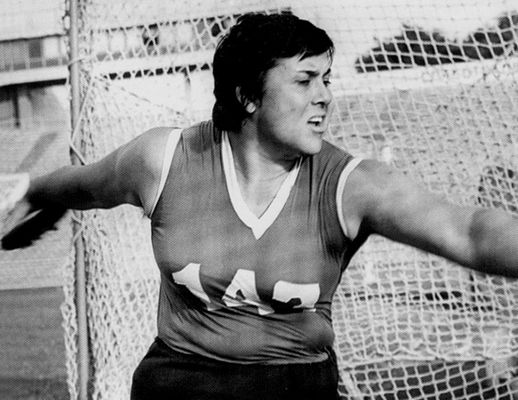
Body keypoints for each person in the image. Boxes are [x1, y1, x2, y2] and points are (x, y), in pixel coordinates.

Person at [2, 12, 518, 400]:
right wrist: (29, 190)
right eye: (304, 80)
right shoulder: (164, 159)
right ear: (248, 96)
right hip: (179, 380)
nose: (325, 96)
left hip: (293, 384)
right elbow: (84, 186)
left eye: (327, 78)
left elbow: (469, 232)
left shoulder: (350, 185)